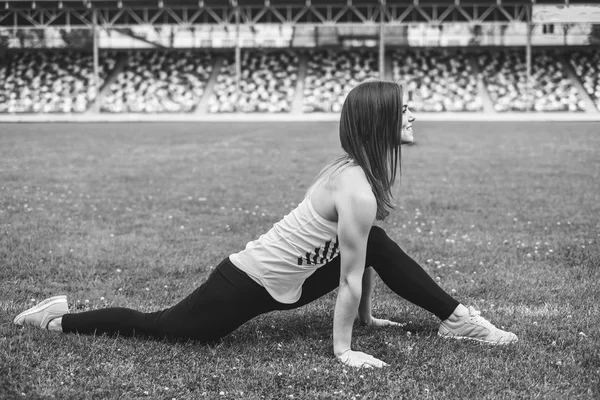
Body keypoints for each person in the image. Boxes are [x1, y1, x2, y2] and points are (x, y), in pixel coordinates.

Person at [14, 81, 517, 369]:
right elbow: (347, 277)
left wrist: (366, 320)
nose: (414, 115)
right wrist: (344, 351)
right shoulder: (356, 187)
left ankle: (456, 319)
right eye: (405, 109)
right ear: (380, 120)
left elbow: (362, 256)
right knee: (166, 328)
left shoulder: (357, 175)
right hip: (244, 282)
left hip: (292, 279)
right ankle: (57, 319)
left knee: (378, 244)